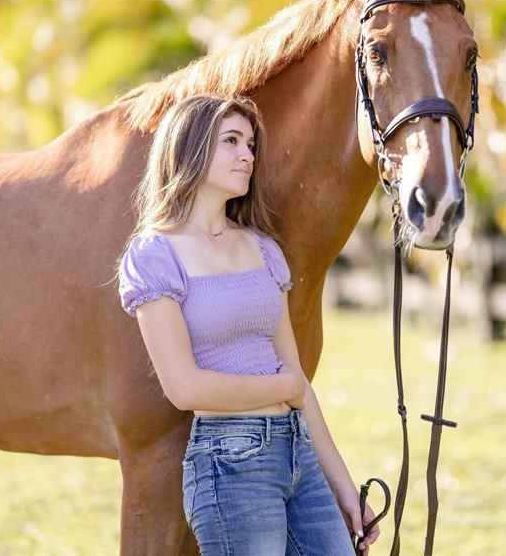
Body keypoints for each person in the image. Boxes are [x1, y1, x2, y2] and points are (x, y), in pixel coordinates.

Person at [117, 95, 379, 555]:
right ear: (189, 147)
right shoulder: (155, 256)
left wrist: (343, 485)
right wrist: (283, 388)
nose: (248, 156)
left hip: (298, 455)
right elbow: (185, 388)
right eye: (231, 141)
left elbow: (295, 379)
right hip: (230, 462)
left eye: (251, 144)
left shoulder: (261, 247)